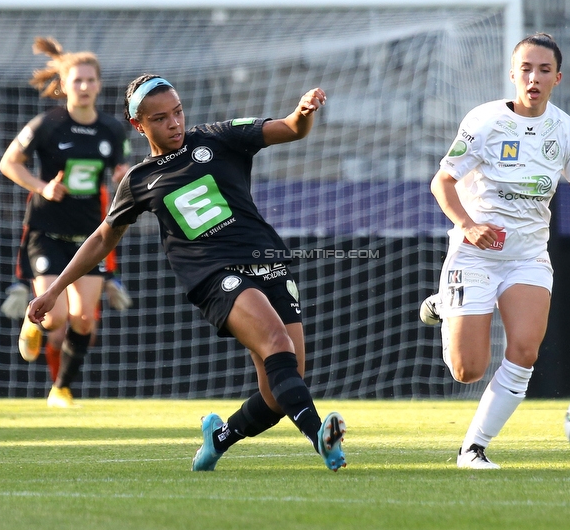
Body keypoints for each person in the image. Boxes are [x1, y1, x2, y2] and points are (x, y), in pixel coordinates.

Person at [27, 75, 347, 472]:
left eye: (177, 112)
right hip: (215, 276)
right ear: (138, 125)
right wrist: (55, 289)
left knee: (278, 393)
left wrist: (302, 112)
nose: (175, 123)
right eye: (161, 118)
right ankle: (323, 439)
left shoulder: (218, 137)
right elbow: (101, 239)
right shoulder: (140, 179)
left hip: (270, 264)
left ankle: (219, 438)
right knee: (276, 344)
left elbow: (291, 129)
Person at [419, 33, 570, 469]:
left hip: (527, 256)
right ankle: (447, 302)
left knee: (524, 350)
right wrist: (467, 226)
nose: (533, 78)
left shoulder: (568, 133)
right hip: (476, 254)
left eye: (543, 70)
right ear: (513, 74)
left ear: (557, 78)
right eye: (526, 69)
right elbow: (441, 183)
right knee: (468, 370)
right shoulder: (484, 122)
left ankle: (473, 448)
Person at [0, 36, 128, 408]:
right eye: (77, 80)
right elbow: (9, 163)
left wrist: (124, 174)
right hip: (48, 233)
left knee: (85, 319)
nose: (85, 87)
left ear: (99, 85)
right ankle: (32, 321)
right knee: (54, 320)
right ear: (65, 85)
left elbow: (121, 168)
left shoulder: (112, 131)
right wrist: (42, 187)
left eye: (90, 80)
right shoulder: (47, 124)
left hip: (89, 237)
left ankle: (61, 389)